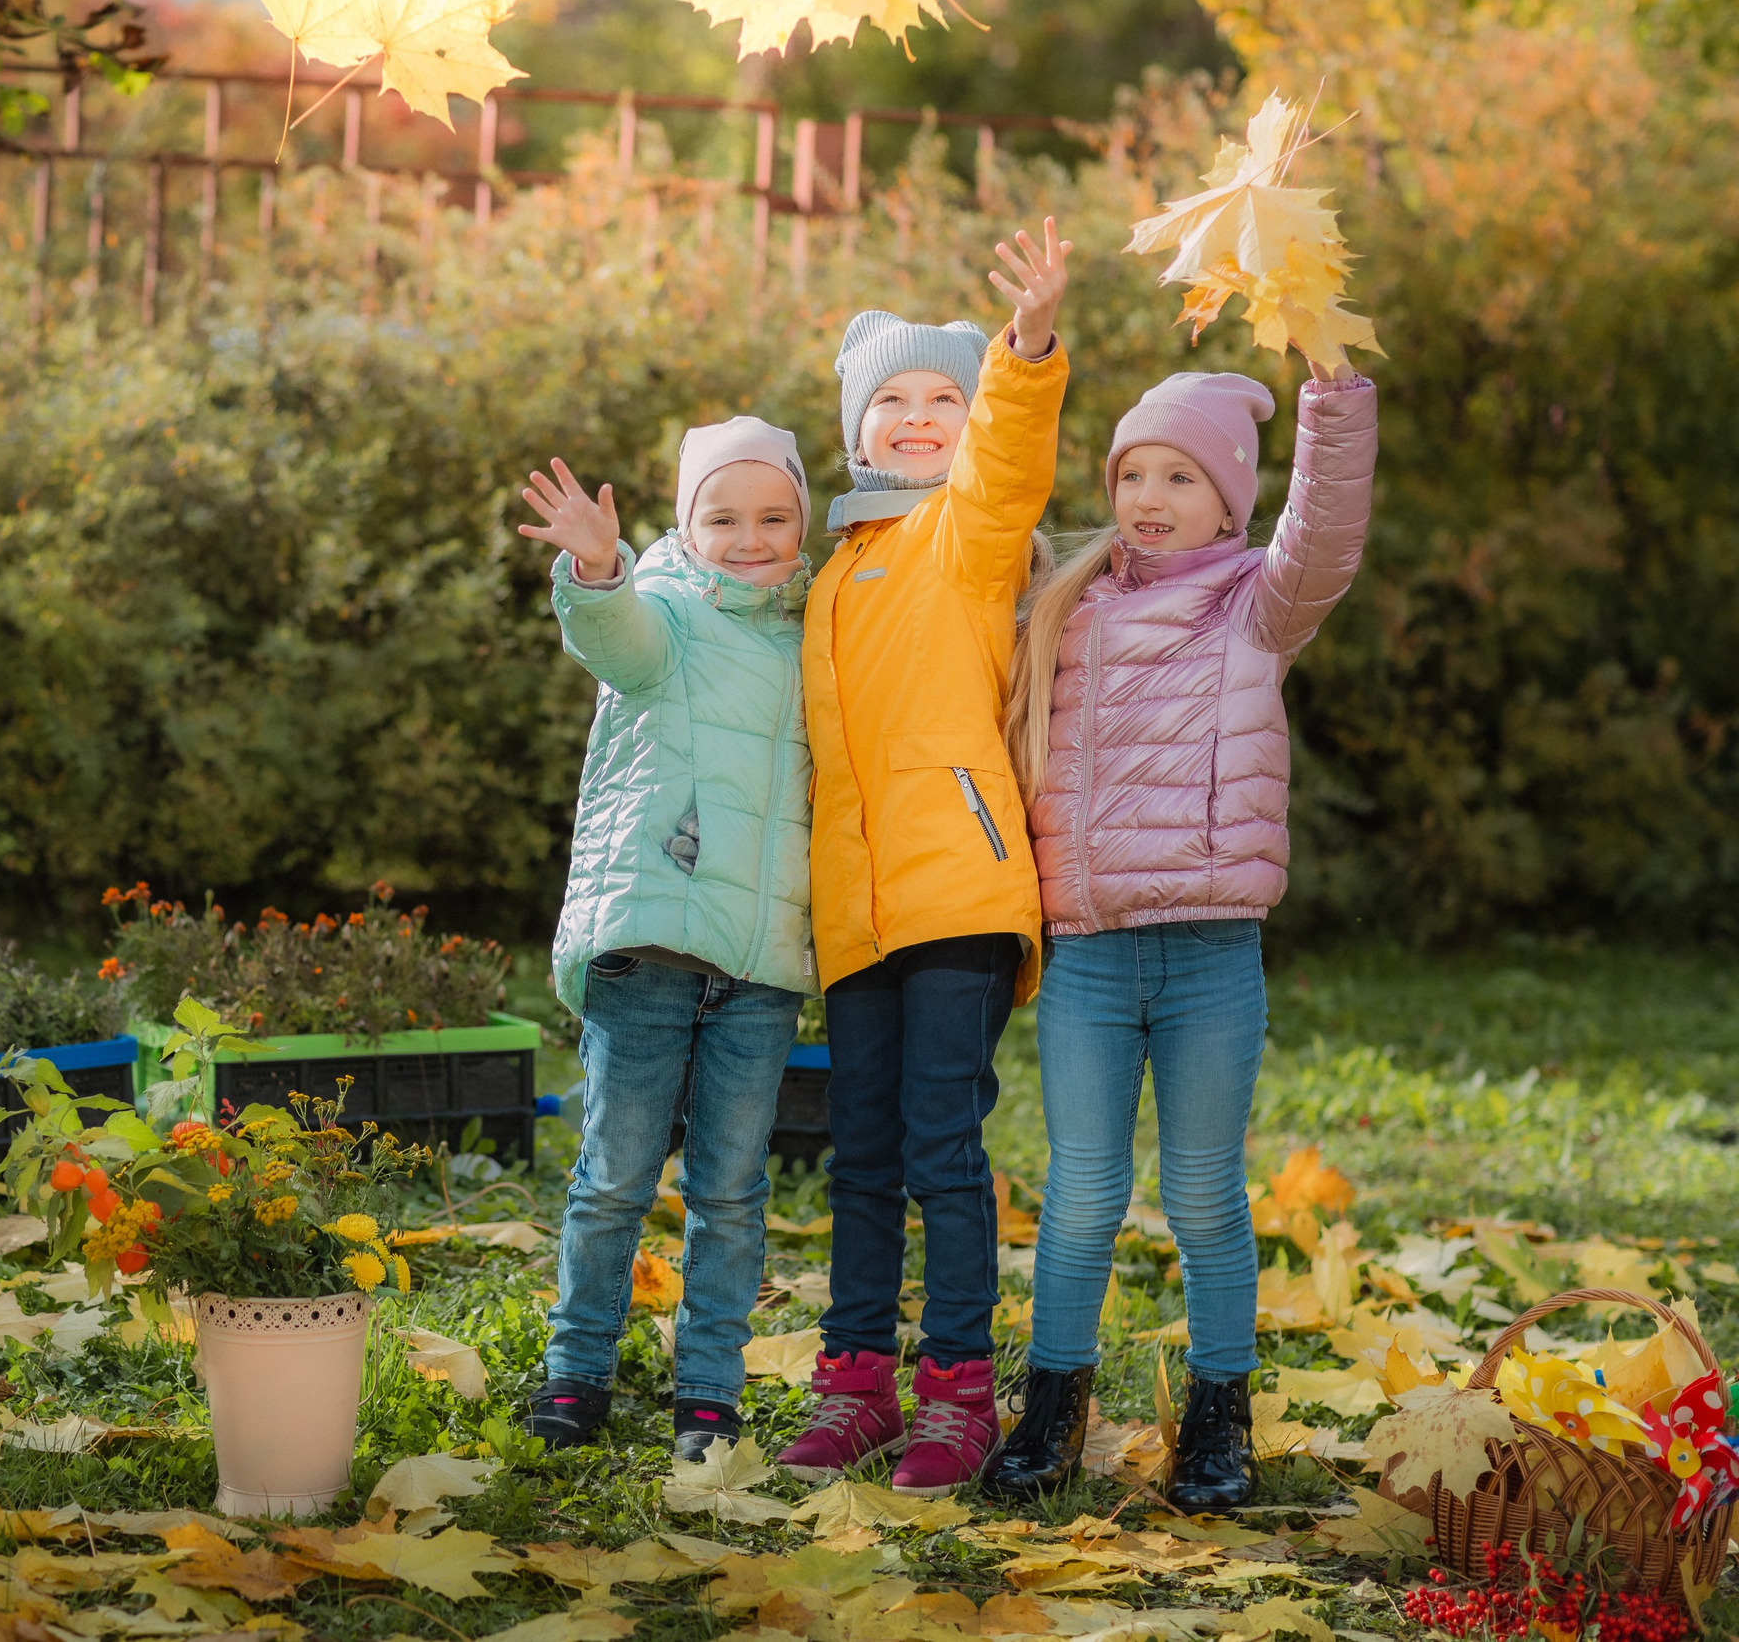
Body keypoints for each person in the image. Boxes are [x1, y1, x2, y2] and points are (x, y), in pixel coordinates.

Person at [983, 361, 1379, 1510]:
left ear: (1231, 502)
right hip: (1094, 958)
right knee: (1081, 1195)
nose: (1148, 495)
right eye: (1132, 473)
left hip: (1209, 955)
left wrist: (1334, 406)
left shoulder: (1258, 605)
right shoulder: (1067, 604)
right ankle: (1051, 1413)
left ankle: (1217, 1422)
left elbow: (1331, 530)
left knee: (1206, 1194)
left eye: (1179, 475)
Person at [784, 220, 1075, 1495]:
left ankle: (957, 1388)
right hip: (856, 912)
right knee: (859, 1153)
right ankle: (855, 1382)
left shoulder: (968, 540)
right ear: (853, 429)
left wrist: (1024, 351)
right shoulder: (835, 564)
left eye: (940, 399)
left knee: (941, 1148)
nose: (916, 418)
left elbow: (1008, 464)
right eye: (889, 399)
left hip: (956, 893)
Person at [514, 416, 820, 1461]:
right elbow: (617, 637)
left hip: (761, 966)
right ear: (684, 528)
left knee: (732, 1191)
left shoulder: (815, 636)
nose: (749, 537)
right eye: (722, 516)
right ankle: (575, 1374)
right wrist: (597, 571)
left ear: (802, 523)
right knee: (613, 1178)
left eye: (774, 516)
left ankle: (708, 1394)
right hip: (649, 948)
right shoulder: (668, 616)